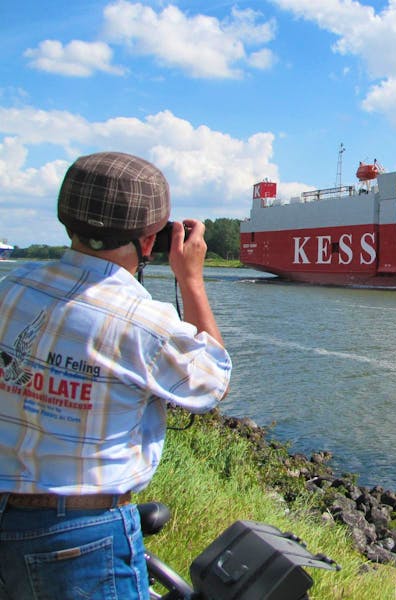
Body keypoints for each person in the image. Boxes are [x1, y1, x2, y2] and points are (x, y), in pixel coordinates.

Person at [0, 151, 232, 599]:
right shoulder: (143, 322)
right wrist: (192, 280)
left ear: (67, 223)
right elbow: (211, 383)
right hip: (80, 538)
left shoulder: (11, 290)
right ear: (151, 241)